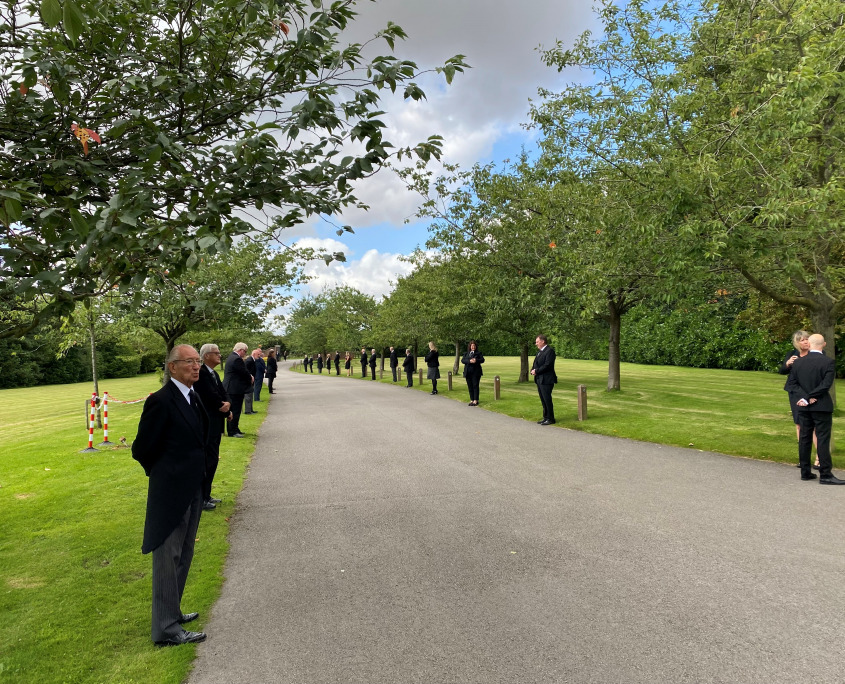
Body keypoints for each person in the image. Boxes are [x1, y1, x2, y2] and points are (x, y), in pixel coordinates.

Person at [132, 344, 208, 646]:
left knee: (183, 554)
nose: (195, 366)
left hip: (193, 489)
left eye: (197, 361)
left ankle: (172, 613)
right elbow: (142, 449)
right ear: (171, 367)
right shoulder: (161, 401)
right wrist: (165, 473)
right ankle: (165, 630)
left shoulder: (192, 396)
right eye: (189, 362)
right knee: (167, 557)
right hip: (171, 492)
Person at [788, 334, 843, 484]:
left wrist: (804, 397)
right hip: (821, 406)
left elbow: (791, 384)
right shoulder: (828, 362)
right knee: (822, 438)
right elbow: (826, 385)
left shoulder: (798, 363)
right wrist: (809, 397)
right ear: (824, 344)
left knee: (804, 438)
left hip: (804, 407)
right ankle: (825, 474)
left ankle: (805, 472)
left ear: (810, 344)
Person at [194, 344, 232, 511]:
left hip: (216, 423)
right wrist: (223, 408)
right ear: (207, 356)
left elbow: (222, 392)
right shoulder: (201, 374)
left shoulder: (214, 373)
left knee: (213, 459)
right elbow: (210, 396)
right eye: (216, 353)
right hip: (207, 424)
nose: (219, 355)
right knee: (207, 461)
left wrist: (228, 405)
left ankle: (207, 494)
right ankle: (201, 497)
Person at [779, 330, 818, 468]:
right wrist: (788, 363)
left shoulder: (816, 355)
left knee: (813, 425)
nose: (805, 341)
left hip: (811, 392)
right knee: (799, 424)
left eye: (807, 339)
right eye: (802, 340)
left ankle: (819, 458)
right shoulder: (792, 354)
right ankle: (803, 459)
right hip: (795, 392)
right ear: (797, 343)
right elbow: (782, 371)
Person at [222, 342, 252, 437]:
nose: (245, 354)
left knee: (236, 410)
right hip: (234, 389)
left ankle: (235, 428)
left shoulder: (231, 357)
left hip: (231, 388)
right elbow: (244, 372)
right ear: (241, 350)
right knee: (235, 410)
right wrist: (250, 377)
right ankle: (232, 431)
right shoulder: (236, 359)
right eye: (245, 351)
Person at [531, 334, 557, 424]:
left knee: (547, 399)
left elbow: (547, 365)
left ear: (543, 341)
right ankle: (546, 417)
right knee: (543, 399)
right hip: (539, 379)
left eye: (537, 342)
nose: (536, 344)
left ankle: (551, 418)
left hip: (547, 379)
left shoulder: (549, 351)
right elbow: (535, 363)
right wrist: (532, 370)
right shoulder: (540, 352)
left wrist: (536, 371)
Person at [461, 340, 485, 406]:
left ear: (476, 346)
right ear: (470, 346)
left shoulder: (478, 353)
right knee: (470, 386)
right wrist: (469, 360)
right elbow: (463, 360)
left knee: (475, 385)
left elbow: (482, 360)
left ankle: (475, 400)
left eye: (474, 346)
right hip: (468, 372)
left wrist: (476, 360)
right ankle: (471, 399)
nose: (473, 347)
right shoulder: (466, 353)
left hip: (476, 372)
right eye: (472, 346)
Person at [243, 350, 257, 415]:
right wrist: (250, 377)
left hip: (251, 380)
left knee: (251, 395)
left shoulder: (252, 360)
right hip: (248, 381)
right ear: (254, 354)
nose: (259, 356)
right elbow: (245, 370)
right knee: (248, 396)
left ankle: (251, 409)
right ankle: (248, 410)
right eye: (258, 355)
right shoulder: (249, 360)